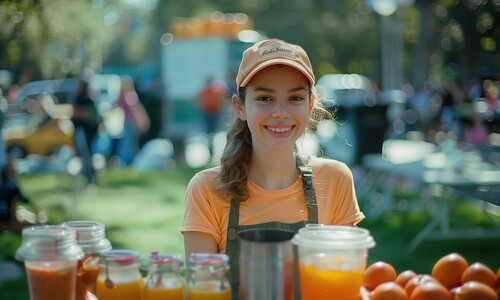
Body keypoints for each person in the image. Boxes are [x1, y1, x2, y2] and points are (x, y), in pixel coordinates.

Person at [180, 38, 365, 297]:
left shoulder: (336, 179)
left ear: (310, 105)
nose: (280, 112)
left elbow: (343, 289)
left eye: (295, 98)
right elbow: (202, 292)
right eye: (265, 97)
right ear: (240, 107)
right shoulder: (206, 189)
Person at [114, 76, 150, 167]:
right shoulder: (124, 96)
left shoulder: (131, 96)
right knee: (130, 145)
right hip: (126, 124)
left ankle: (124, 162)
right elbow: (115, 105)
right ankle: (133, 162)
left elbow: (135, 110)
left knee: (127, 144)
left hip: (131, 124)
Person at [71, 79, 99, 185]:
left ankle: (90, 180)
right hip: (81, 131)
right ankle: (87, 178)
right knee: (85, 156)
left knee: (87, 156)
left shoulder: (86, 99)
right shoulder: (78, 98)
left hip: (85, 131)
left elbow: (85, 114)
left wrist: (77, 112)